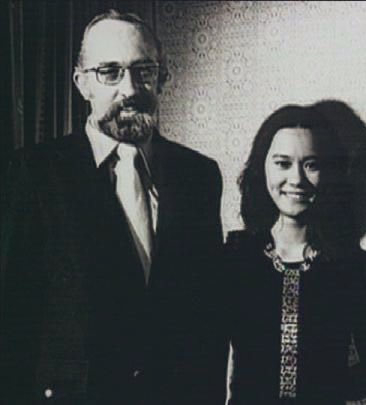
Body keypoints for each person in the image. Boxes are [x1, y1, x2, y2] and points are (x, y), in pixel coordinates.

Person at [0, 10, 227, 405]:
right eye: (110, 72)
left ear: (162, 78)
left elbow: (207, 316)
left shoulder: (199, 176)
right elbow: (12, 316)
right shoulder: (34, 173)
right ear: (82, 83)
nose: (130, 88)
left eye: (144, 71)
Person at [224, 104, 366, 404]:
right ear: (262, 168)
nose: (296, 179)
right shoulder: (235, 257)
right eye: (283, 163)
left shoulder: (354, 266)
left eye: (311, 164)